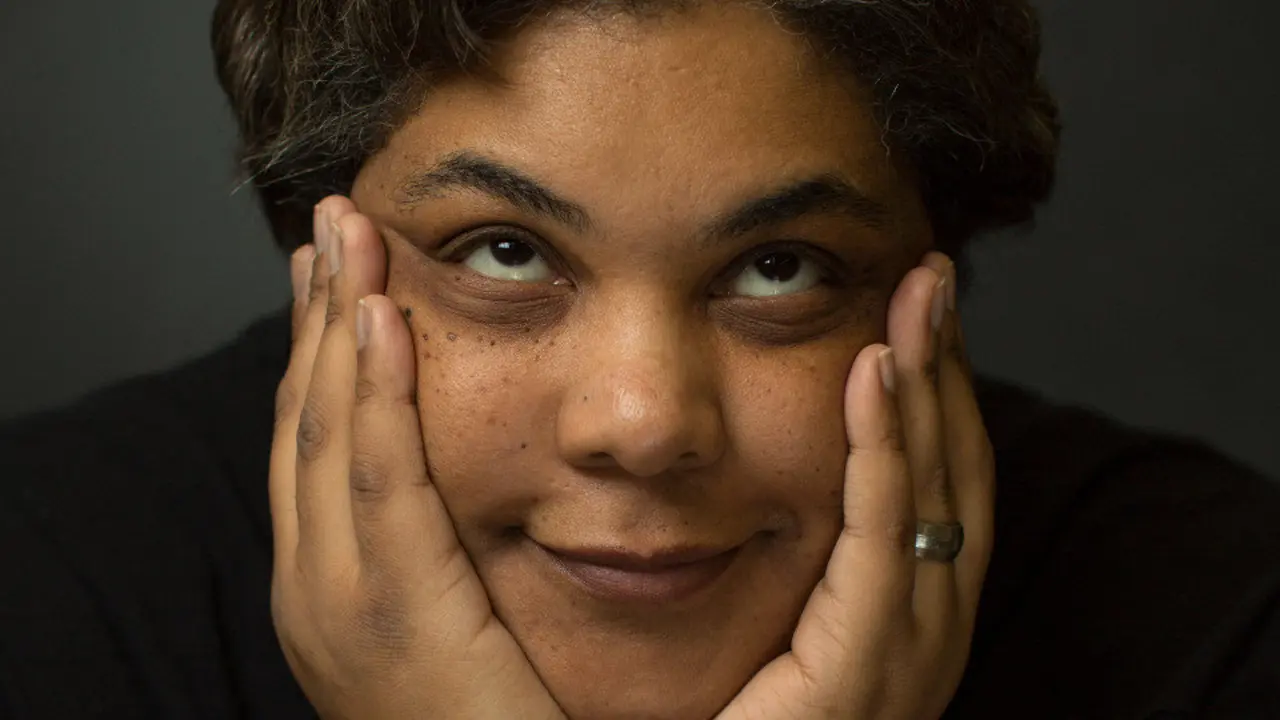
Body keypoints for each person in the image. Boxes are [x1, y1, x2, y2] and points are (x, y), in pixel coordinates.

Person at [2, 0, 1278, 718]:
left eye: (780, 267)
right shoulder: (45, 595)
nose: (644, 423)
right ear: (321, 258)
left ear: (924, 282)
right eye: (503, 252)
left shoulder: (1216, 625)